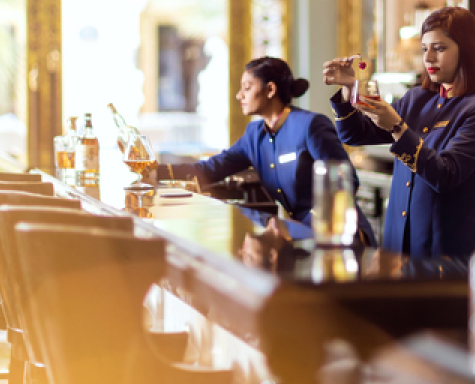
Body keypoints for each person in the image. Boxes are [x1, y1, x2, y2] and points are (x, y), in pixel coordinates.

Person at [322, 7, 475, 259]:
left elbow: (445, 174)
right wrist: (347, 90)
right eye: (424, 49)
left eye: (439, 48)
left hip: (446, 250)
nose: (428, 58)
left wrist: (397, 127)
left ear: (466, 50)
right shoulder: (416, 98)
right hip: (397, 244)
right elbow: (355, 135)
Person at [152, 56, 377, 247]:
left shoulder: (310, 126)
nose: (240, 95)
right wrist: (156, 172)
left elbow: (345, 183)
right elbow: (211, 170)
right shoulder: (254, 134)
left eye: (247, 88)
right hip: (300, 239)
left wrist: (300, 229)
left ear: (270, 90)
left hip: (343, 240)